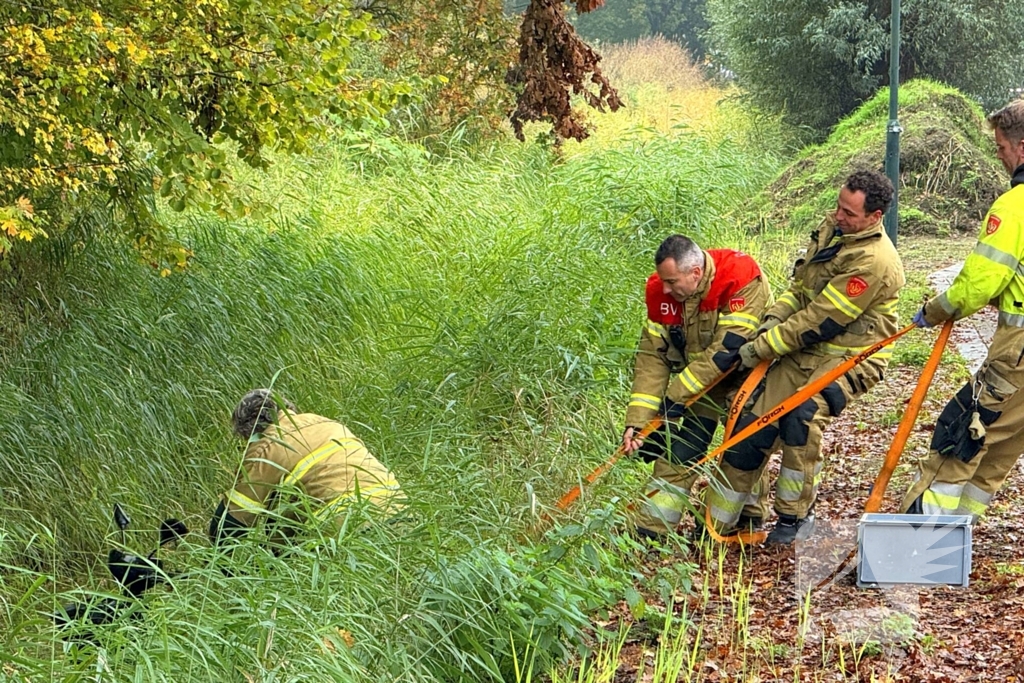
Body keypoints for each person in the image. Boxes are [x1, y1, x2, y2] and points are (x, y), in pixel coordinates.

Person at [706, 170, 905, 545]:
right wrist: (770, 322)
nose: (839, 216)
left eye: (849, 212)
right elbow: (800, 291)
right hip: (805, 352)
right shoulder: (834, 231)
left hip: (851, 358)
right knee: (750, 419)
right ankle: (728, 519)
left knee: (801, 418)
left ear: (875, 217)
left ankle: (795, 518)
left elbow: (819, 321)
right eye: (839, 206)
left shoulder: (874, 262)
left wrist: (760, 348)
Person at [901, 99, 1024, 521]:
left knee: (965, 432)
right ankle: (956, 537)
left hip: (1018, 355)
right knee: (1004, 444)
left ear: (1021, 149)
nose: (1000, 157)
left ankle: (915, 539)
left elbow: (977, 283)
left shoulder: (1015, 206)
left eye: (1001, 148)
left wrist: (935, 310)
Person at [624, 234, 772, 539]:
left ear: (695, 273)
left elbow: (726, 352)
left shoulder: (741, 278)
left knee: (742, 451)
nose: (665, 288)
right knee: (681, 450)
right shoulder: (662, 292)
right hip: (700, 384)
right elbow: (652, 358)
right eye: (663, 281)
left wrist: (675, 397)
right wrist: (641, 422)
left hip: (747, 377)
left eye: (672, 281)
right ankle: (650, 531)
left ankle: (735, 522)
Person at [209, 389, 406, 545]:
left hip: (350, 531)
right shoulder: (327, 423)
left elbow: (230, 524)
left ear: (250, 432)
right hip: (401, 512)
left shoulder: (266, 447)